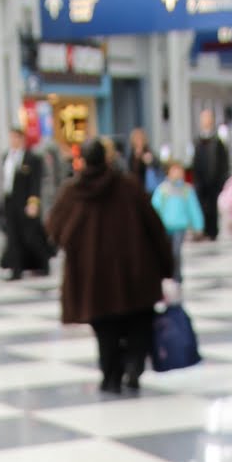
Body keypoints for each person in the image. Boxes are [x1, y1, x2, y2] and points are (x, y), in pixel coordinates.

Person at [45, 136, 174, 395]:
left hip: (94, 278)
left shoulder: (72, 192)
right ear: (106, 158)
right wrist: (166, 265)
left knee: (105, 328)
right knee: (138, 321)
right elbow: (155, 227)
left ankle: (111, 374)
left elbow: (54, 230)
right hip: (135, 271)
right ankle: (134, 364)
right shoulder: (128, 186)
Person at [0, 126, 49, 281]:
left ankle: (43, 263)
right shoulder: (6, 157)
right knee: (13, 236)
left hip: (25, 202)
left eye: (15, 137)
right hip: (10, 201)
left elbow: (35, 183)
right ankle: (16, 270)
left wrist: (33, 202)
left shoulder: (31, 158)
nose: (12, 141)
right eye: (10, 137)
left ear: (21, 139)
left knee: (31, 235)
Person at [151, 160, 204, 283]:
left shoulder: (186, 190)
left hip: (179, 226)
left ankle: (176, 276)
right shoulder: (162, 190)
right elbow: (154, 207)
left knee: (176, 252)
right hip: (165, 226)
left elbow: (193, 208)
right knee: (165, 252)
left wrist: (198, 226)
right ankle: (166, 274)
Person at [191, 108, 231, 241]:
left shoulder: (217, 142)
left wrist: (223, 180)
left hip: (215, 181)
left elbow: (224, 162)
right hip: (201, 181)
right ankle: (203, 230)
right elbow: (195, 162)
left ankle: (213, 231)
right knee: (202, 206)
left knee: (213, 208)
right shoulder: (197, 141)